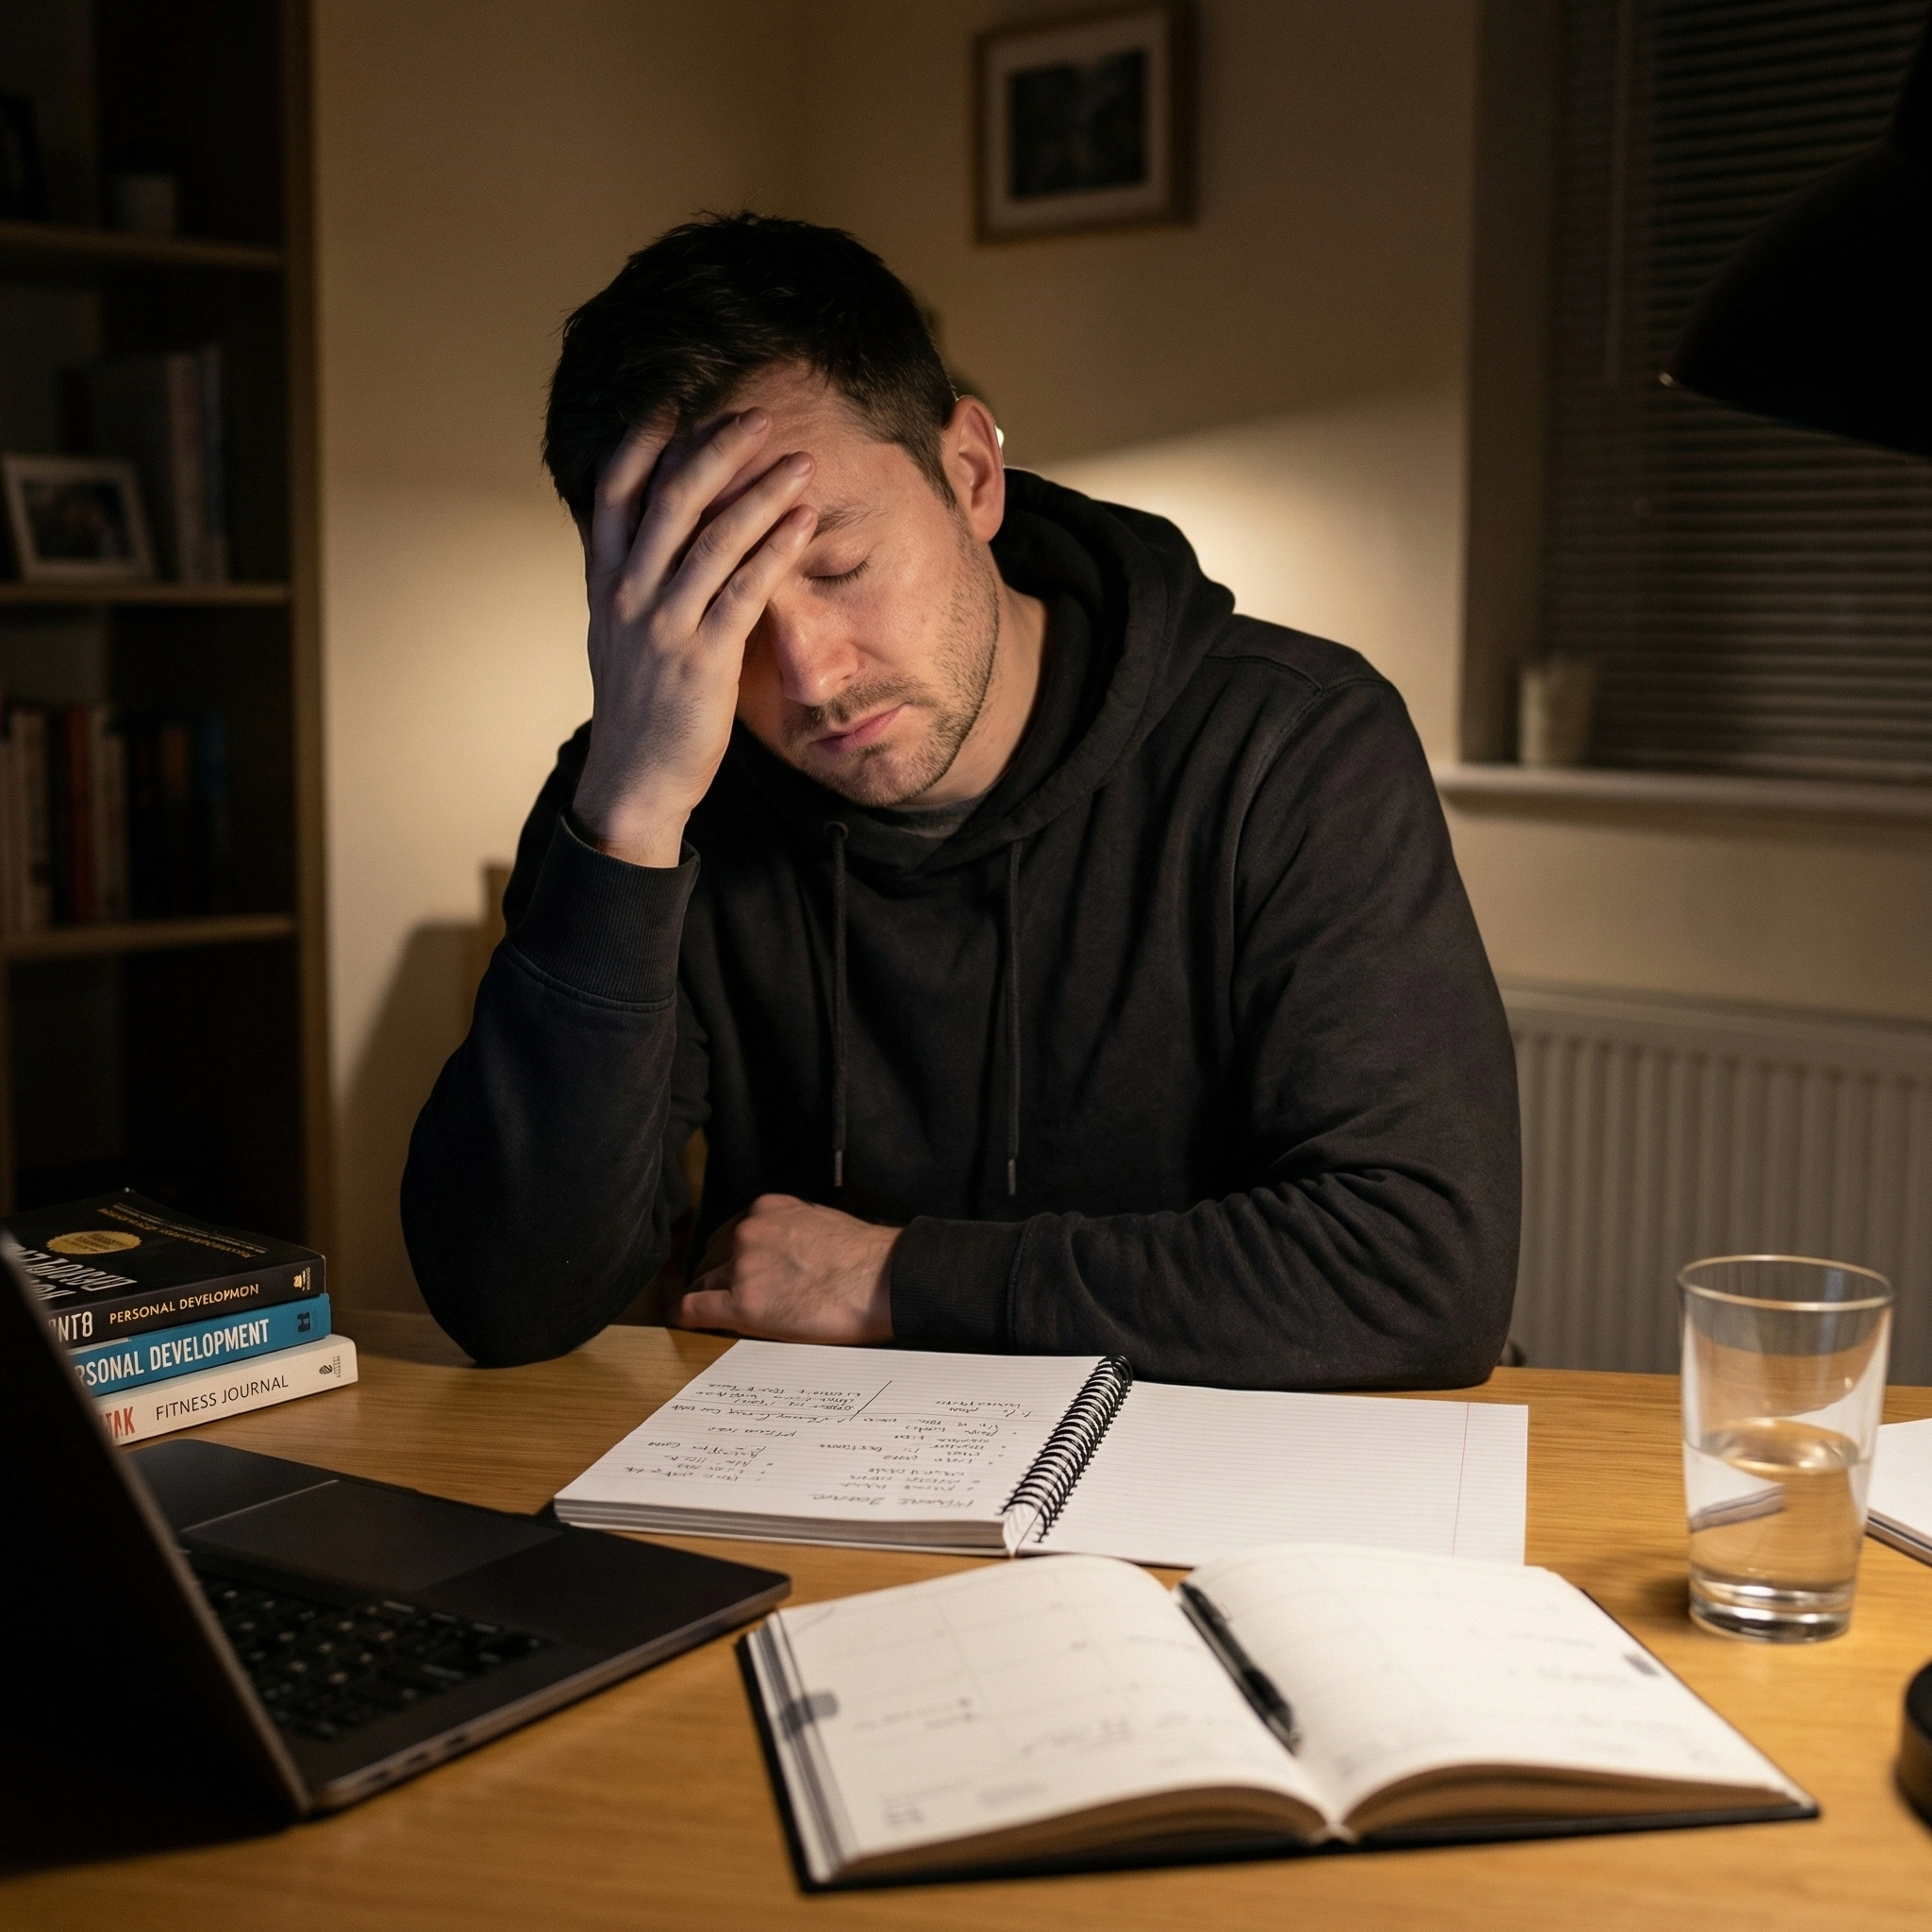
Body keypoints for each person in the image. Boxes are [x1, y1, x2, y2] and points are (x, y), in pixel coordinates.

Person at [401, 213, 1521, 1388]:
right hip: (809, 1507)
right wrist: (628, 821)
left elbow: (1423, 1270)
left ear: (971, 475)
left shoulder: (1290, 744)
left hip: (1219, 1499)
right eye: (719, 617)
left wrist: (898, 1278)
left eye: (836, 567)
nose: (811, 676)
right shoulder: (650, 789)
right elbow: (507, 1300)